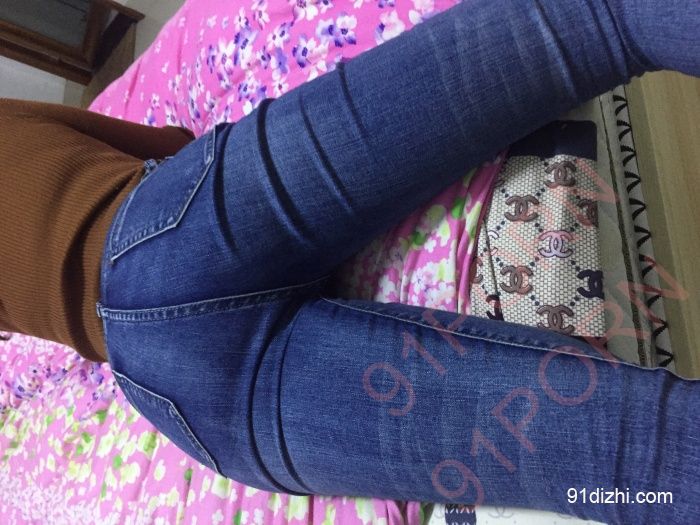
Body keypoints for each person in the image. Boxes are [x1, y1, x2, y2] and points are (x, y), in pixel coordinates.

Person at [1, 0, 698, 522]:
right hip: (164, 228)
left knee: (629, 456)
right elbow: (167, 142)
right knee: (590, 20)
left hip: (176, 388)